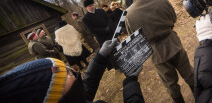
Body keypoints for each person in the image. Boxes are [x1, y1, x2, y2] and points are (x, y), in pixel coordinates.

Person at [0, 39, 145, 103]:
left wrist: (100, 56)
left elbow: (85, 88)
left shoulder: (72, 98)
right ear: (56, 96)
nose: (72, 72)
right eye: (65, 73)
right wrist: (131, 82)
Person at [123, 0, 194, 103]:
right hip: (173, 43)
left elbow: (136, 39)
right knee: (189, 74)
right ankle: (202, 96)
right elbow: (173, 18)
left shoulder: (128, 15)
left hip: (156, 53)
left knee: (170, 84)